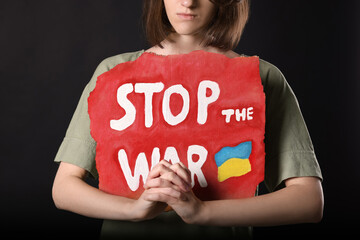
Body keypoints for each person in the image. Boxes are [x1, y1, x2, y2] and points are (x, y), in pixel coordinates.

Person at [52, 0, 323, 239]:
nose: (188, 2)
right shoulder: (114, 73)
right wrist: (134, 209)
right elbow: (64, 188)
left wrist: (202, 212)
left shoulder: (260, 78)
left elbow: (309, 201)